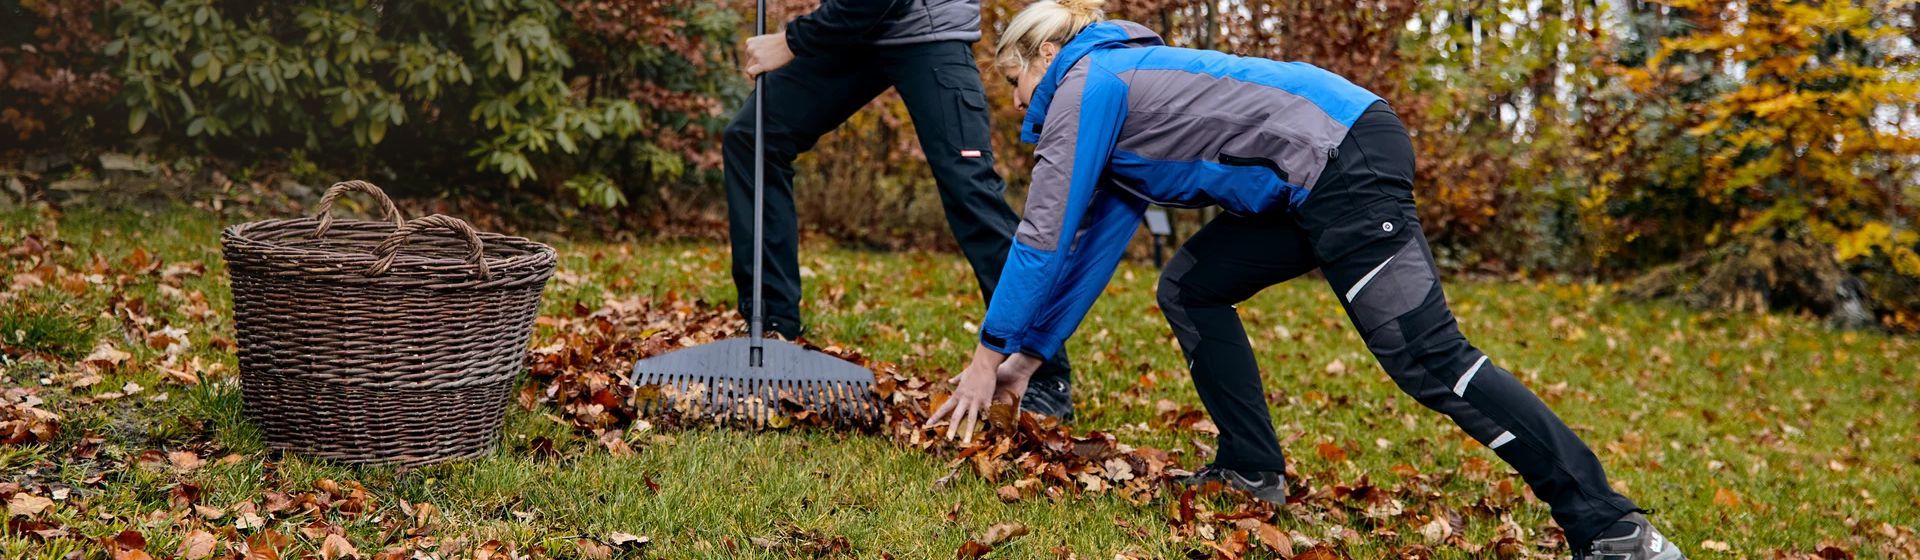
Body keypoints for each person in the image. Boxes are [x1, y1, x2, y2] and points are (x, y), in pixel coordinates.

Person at [922, 1, 1686, 558]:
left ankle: (1610, 525)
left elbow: (1041, 233)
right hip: (1306, 184)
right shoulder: (1114, 90)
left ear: (1042, 59)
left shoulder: (1088, 86)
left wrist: (987, 355)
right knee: (1190, 285)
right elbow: (1087, 247)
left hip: (1344, 160)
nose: (1016, 104)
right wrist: (1027, 355)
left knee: (1429, 358)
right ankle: (1252, 470)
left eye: (1014, 83)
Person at [731, 0, 1076, 418]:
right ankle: (772, 331)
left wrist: (791, 40)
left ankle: (1043, 372)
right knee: (754, 139)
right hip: (857, 30)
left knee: (972, 196)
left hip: (927, 29)